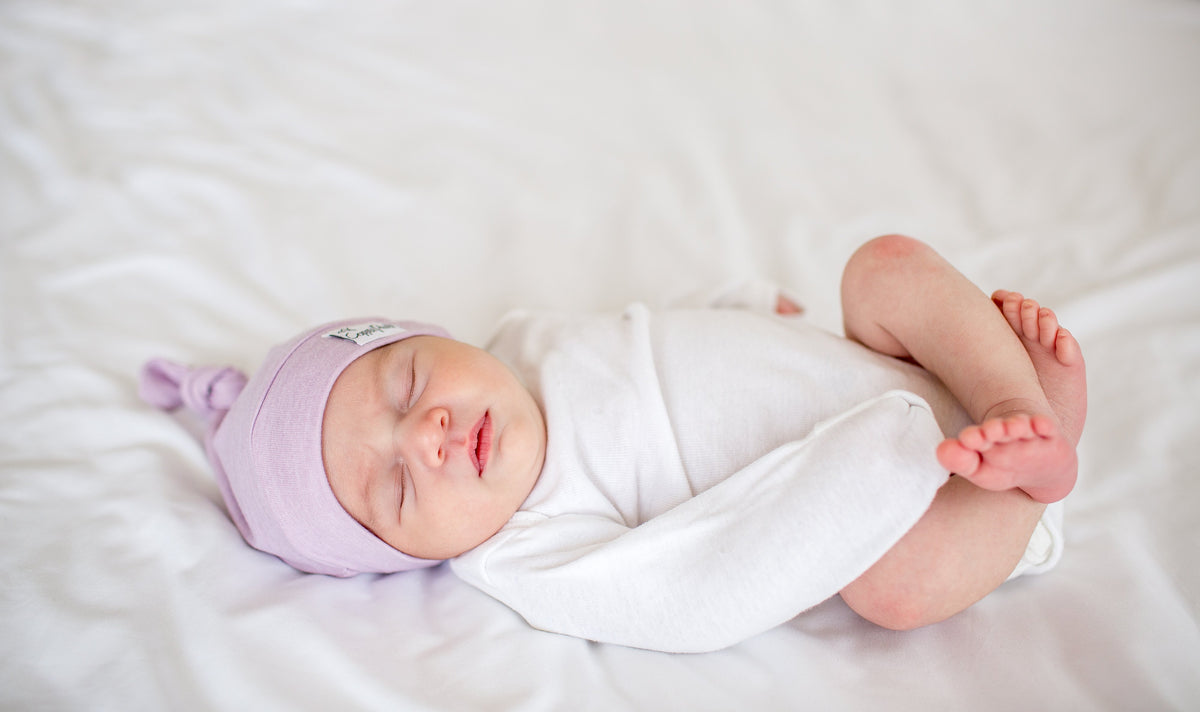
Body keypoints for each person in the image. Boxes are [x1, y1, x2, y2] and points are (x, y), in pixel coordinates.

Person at [140, 235, 1086, 652]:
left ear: (438, 337)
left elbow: (651, 333)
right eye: (394, 488)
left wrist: (746, 309)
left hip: (885, 365)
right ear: (404, 557)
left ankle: (1014, 394)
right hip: (922, 499)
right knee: (892, 592)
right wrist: (869, 467)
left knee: (881, 268)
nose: (424, 436)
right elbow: (695, 595)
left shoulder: (518, 343)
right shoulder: (524, 551)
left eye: (410, 384)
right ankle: (1032, 477)